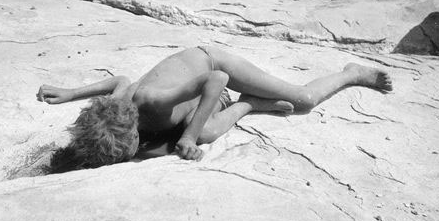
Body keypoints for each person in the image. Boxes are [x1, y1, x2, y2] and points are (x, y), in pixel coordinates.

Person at [37, 45, 392, 171]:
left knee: (304, 102)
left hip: (212, 62)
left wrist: (190, 137)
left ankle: (350, 74)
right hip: (194, 93)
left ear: (130, 134)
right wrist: (69, 94)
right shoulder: (119, 107)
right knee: (198, 133)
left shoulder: (154, 104)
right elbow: (119, 80)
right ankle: (250, 106)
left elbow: (216, 79)